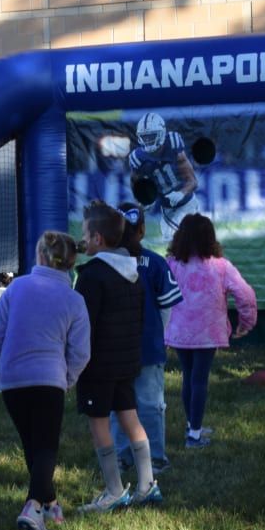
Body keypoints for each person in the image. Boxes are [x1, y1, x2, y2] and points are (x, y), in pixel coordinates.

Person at [0, 232, 90, 530]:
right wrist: (67, 379)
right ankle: (33, 506)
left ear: (41, 257)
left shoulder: (16, 288)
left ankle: (51, 503)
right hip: (49, 380)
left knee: (32, 444)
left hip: (13, 379)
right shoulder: (74, 299)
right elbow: (81, 351)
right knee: (45, 446)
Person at [74, 199, 161, 512]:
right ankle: (147, 484)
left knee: (99, 424)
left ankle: (113, 490)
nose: (81, 237)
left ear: (97, 238)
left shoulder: (91, 276)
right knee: (130, 416)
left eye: (85, 231)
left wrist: (75, 364)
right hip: (126, 362)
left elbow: (83, 326)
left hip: (97, 365)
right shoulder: (132, 271)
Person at [165, 214, 257, 448]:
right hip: (208, 333)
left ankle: (192, 424)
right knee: (199, 380)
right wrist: (246, 323)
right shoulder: (221, 267)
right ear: (210, 237)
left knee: (188, 377)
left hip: (178, 332)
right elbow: (245, 295)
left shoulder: (171, 264)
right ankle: (194, 435)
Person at [110, 202, 181, 473]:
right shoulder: (155, 263)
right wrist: (156, 335)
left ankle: (122, 455)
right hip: (148, 348)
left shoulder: (103, 264)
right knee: (151, 405)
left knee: (119, 404)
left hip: (114, 350)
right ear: (142, 230)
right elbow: (166, 308)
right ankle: (155, 457)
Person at [128, 111, 200, 244]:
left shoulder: (173, 144)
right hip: (167, 210)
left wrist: (181, 193)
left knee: (189, 243)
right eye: (145, 137)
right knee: (173, 248)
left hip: (187, 203)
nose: (148, 140)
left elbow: (193, 181)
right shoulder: (137, 158)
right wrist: (143, 200)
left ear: (161, 133)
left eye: (151, 136)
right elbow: (135, 184)